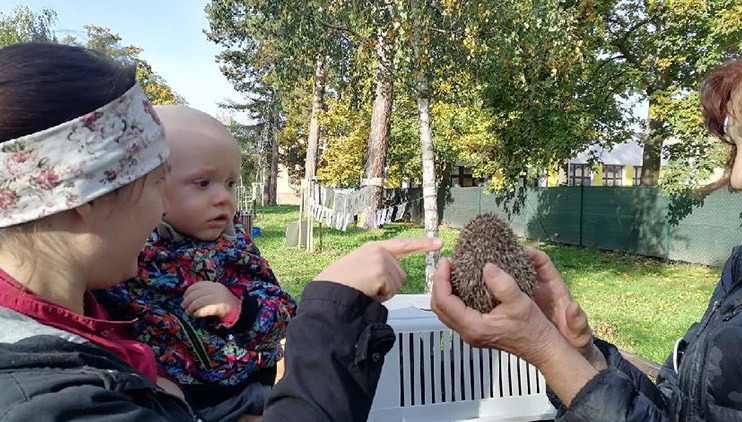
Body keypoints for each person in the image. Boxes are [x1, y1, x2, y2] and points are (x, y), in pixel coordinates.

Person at [0, 42, 444, 422]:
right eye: (156, 182)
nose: (161, 207)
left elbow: (270, 307)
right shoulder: (58, 402)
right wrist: (336, 309)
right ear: (85, 200)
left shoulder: (83, 315)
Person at [431, 55, 742, 422]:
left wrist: (547, 351)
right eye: (736, 146)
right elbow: (677, 411)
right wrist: (582, 355)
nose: (739, 175)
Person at [96, 105, 296, 422]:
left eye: (230, 183)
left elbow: (282, 310)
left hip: (241, 390)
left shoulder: (232, 247)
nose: (223, 198)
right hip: (168, 393)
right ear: (151, 183)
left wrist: (239, 310)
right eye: (203, 183)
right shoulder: (129, 247)